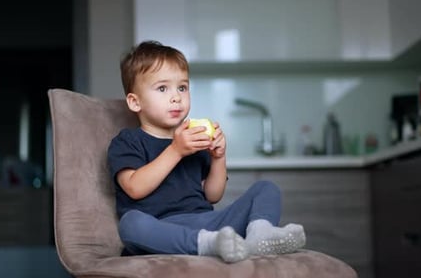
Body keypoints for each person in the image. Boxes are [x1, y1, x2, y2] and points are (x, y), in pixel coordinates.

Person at [107, 40, 306, 263]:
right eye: (162, 88)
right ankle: (206, 245)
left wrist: (218, 157)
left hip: (207, 222)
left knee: (266, 188)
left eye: (182, 87)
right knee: (130, 224)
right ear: (135, 102)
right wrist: (176, 150)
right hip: (161, 229)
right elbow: (134, 187)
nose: (176, 97)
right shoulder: (128, 141)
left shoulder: (194, 138)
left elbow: (213, 195)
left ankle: (259, 235)